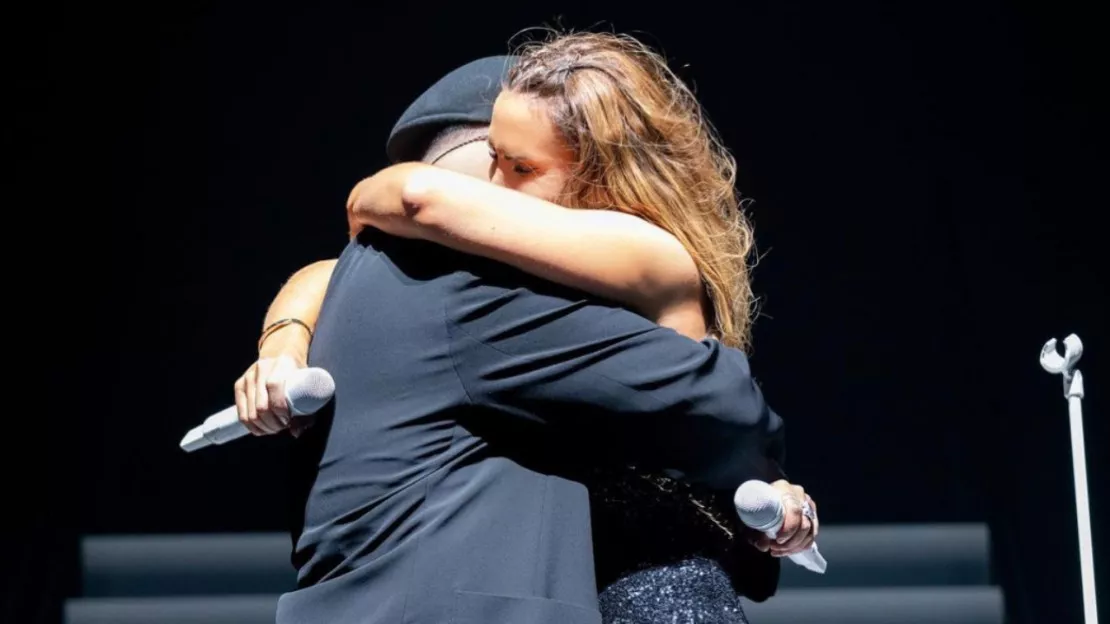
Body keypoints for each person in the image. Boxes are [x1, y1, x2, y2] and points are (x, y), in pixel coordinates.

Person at [243, 42, 814, 624]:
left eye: (521, 167)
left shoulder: (566, 297)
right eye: (489, 160)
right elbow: (724, 404)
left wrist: (766, 486)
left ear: (605, 177)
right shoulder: (474, 285)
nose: (492, 191)